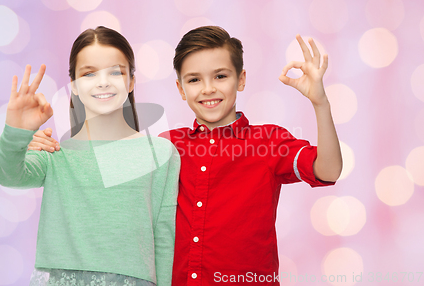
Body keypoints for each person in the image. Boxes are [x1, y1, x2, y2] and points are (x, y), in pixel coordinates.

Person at [28, 26, 342, 286]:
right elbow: (89, 173)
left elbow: (327, 170)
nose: (208, 89)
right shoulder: (165, 147)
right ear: (180, 88)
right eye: (194, 80)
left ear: (241, 79)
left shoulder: (269, 140)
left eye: (220, 76)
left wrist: (320, 102)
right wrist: (45, 145)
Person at [0, 26, 180, 286]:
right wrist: (17, 132)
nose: (103, 82)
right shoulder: (53, 154)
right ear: (74, 86)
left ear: (131, 81)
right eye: (89, 73)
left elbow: (164, 237)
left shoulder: (160, 153)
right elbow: (8, 174)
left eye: (115, 72)